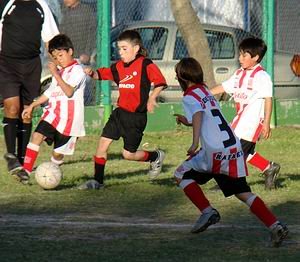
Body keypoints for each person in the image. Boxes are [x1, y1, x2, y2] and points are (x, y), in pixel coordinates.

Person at [173, 57, 288, 247]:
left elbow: (199, 114)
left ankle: (207, 211)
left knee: (180, 175)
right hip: (232, 147)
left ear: (182, 78)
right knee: (243, 192)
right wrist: (188, 121)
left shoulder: (189, 96)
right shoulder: (204, 91)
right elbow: (206, 115)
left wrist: (194, 144)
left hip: (214, 152)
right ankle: (275, 226)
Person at [79, 29, 167, 190]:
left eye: (124, 48)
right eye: (119, 48)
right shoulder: (118, 67)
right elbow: (101, 74)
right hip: (119, 114)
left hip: (136, 118)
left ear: (136, 48)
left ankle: (155, 156)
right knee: (102, 145)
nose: (120, 52)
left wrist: (152, 97)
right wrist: (92, 73)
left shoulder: (145, 64)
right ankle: (98, 182)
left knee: (128, 154)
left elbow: (160, 82)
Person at [14, 34, 87, 183]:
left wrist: (55, 73)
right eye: (55, 57)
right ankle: (26, 171)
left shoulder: (78, 71)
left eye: (61, 55)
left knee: (58, 154)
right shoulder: (60, 72)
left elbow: (68, 92)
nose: (59, 59)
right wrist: (33, 105)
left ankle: (51, 176)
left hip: (70, 120)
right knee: (36, 136)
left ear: (70, 51)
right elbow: (50, 92)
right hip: (53, 114)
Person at [210, 37, 280, 190]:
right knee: (240, 151)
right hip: (239, 120)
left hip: (252, 123)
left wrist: (266, 123)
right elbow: (224, 87)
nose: (240, 58)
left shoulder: (262, 77)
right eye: (240, 54)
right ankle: (268, 167)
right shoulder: (239, 74)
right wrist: (204, 94)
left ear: (255, 58)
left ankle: (228, 183)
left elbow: (268, 99)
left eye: (244, 55)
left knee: (235, 151)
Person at [0, 0, 59, 176]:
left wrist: (58, 62)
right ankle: (11, 156)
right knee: (12, 107)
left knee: (27, 112)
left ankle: (22, 157)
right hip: (6, 62)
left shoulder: (41, 5)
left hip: (32, 65)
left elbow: (50, 39)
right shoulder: (6, 3)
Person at [59, 0, 96, 105]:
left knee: (82, 88)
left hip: (81, 58)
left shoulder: (86, 11)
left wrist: (87, 53)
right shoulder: (63, 11)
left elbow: (92, 33)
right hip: (65, 56)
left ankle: (86, 106)